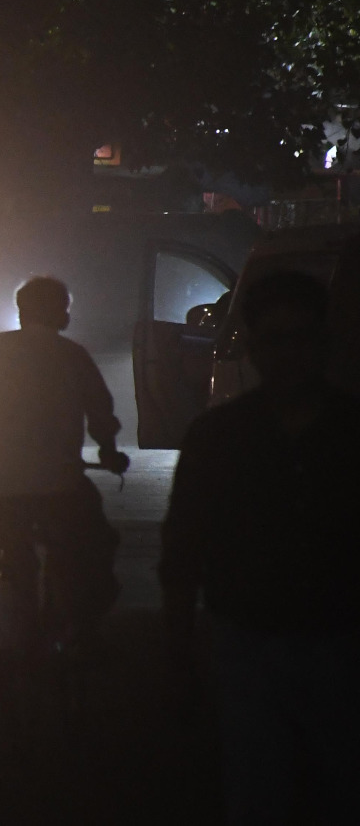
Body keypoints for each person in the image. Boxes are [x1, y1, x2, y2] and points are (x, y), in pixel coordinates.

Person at [161, 271, 359, 824]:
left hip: (336, 640)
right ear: (254, 347)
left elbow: (181, 549)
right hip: (251, 641)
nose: (289, 354)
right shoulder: (218, 438)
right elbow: (182, 548)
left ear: (322, 341)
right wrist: (177, 649)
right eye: (276, 340)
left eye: (300, 338)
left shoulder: (346, 433)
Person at [0, 276, 128, 659]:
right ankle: (84, 631)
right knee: (96, 543)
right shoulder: (72, 355)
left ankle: (7, 621)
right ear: (60, 313)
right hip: (58, 484)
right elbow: (100, 414)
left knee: (6, 539)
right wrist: (109, 452)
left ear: (22, 312)